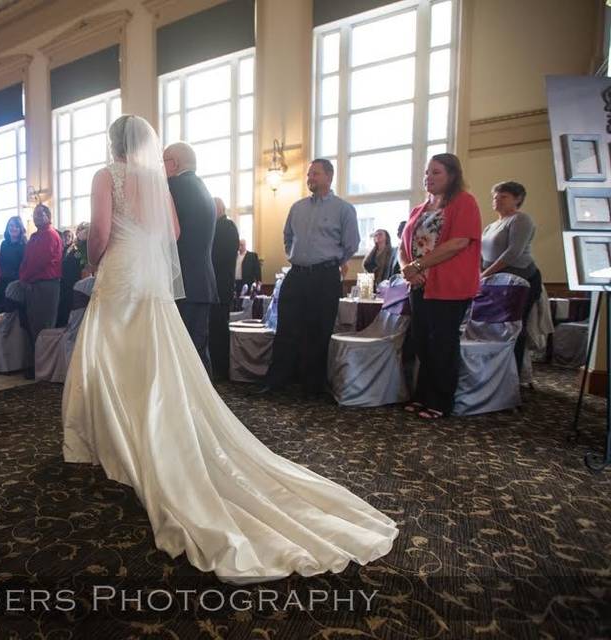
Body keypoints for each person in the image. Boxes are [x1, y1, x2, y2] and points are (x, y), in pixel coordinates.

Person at [62, 115, 397, 583]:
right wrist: (141, 239)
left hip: (120, 271)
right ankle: (150, 429)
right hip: (150, 276)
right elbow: (174, 234)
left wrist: (98, 257)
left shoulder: (106, 176)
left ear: (112, 144)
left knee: (109, 358)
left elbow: (97, 233)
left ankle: (115, 440)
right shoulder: (158, 181)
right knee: (155, 357)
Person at [255, 159, 359, 397]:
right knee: (286, 329)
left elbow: (351, 245)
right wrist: (297, 255)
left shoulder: (343, 209)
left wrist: (330, 261)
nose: (310, 178)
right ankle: (276, 382)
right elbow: (287, 237)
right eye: (309, 174)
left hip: (325, 277)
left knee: (318, 331)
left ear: (329, 177)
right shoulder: (297, 207)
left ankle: (311, 387)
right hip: (297, 275)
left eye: (316, 174)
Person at [399, 153, 481, 420]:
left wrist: (419, 266)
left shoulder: (464, 203)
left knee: (442, 343)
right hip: (419, 284)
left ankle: (441, 400)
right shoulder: (418, 209)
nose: (428, 178)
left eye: (436, 173)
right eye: (426, 172)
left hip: (449, 284)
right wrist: (407, 269)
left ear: (452, 176)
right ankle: (422, 395)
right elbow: (403, 247)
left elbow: (458, 242)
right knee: (422, 341)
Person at [164, 141, 217, 374]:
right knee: (198, 350)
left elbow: (166, 234)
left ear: (173, 164)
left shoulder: (172, 187)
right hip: (202, 282)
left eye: (162, 161)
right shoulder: (202, 188)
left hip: (181, 283)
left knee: (181, 353)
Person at [481, 181, 541, 368]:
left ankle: (512, 369)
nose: (497, 200)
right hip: (494, 281)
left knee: (513, 326)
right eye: (495, 197)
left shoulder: (521, 219)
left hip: (519, 280)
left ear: (518, 199)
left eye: (503, 196)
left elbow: (512, 253)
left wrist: (484, 275)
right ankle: (495, 368)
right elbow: (481, 254)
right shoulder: (491, 226)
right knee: (493, 326)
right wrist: (480, 273)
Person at [19, 203, 63, 378]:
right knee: (34, 326)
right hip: (33, 284)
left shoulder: (51, 235)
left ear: (48, 216)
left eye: (40, 214)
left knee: (44, 327)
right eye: (34, 214)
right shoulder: (35, 236)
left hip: (46, 285)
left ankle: (44, 367)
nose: (36, 217)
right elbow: (26, 260)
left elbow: (41, 261)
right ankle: (36, 364)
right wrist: (23, 277)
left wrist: (26, 277)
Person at [210, 196, 239, 381]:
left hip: (221, 286)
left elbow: (221, 256)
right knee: (213, 327)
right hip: (216, 285)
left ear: (220, 209)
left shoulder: (227, 227)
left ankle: (221, 367)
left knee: (219, 327)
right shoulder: (217, 227)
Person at [0, 216, 27, 303]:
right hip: (3, 280)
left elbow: (25, 267)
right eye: (11, 226)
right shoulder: (4, 244)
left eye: (16, 226)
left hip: (17, 283)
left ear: (21, 229)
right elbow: (0, 262)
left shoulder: (24, 245)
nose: (13, 228)